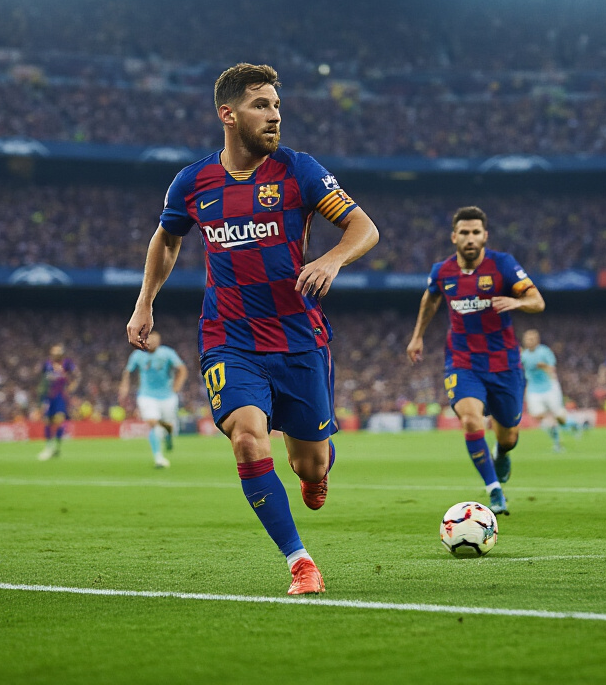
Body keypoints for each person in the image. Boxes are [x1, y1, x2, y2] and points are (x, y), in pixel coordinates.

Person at [126, 63, 378, 596]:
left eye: (277, 107)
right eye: (262, 105)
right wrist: (145, 302)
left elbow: (363, 226)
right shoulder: (193, 182)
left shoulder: (299, 170)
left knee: (308, 465)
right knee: (246, 437)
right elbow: (167, 239)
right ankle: (300, 562)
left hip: (298, 338)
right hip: (229, 337)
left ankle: (317, 469)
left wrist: (332, 260)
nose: (274, 116)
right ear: (228, 114)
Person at [407, 206, 546, 516]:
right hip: (462, 361)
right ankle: (494, 490)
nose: (470, 238)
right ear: (454, 236)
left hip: (504, 364)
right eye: (464, 233)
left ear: (485, 236)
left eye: (476, 233)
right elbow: (430, 299)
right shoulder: (441, 271)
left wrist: (516, 301)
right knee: (471, 419)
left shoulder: (504, 265)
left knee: (508, 435)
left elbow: (538, 301)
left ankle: (502, 452)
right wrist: (417, 336)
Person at [120, 331, 188, 468]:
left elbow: (182, 369)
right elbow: (127, 371)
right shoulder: (138, 355)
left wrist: (177, 386)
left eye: (155, 340)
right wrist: (124, 386)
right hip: (146, 395)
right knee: (152, 423)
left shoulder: (167, 353)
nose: (152, 342)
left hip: (168, 396)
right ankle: (158, 457)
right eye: (150, 340)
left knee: (168, 424)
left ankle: (168, 433)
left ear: (159, 342)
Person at [519, 330, 567, 452]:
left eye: (532, 338)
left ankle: (575, 425)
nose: (530, 341)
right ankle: (557, 442)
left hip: (549, 387)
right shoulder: (524, 356)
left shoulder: (544, 351)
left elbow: (552, 368)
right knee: (537, 415)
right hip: (534, 389)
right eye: (527, 339)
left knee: (560, 417)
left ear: (537, 339)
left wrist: (544, 366)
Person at [37, 344, 79, 460]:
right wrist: (41, 396)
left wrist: (72, 387)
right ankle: (48, 447)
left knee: (59, 420)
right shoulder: (47, 364)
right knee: (48, 421)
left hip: (60, 396)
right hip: (49, 396)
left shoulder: (67, 363)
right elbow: (42, 380)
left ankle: (57, 447)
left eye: (59, 353)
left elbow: (77, 375)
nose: (57, 355)